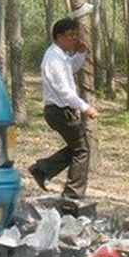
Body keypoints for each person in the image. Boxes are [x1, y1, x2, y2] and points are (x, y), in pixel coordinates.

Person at [28, 17, 99, 200]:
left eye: (76, 35)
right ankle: (73, 194)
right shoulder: (53, 58)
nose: (74, 39)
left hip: (62, 110)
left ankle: (42, 169)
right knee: (82, 149)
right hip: (58, 111)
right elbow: (65, 92)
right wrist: (85, 107)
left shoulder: (61, 56)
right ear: (59, 36)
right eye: (70, 36)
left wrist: (81, 54)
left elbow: (71, 68)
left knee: (77, 147)